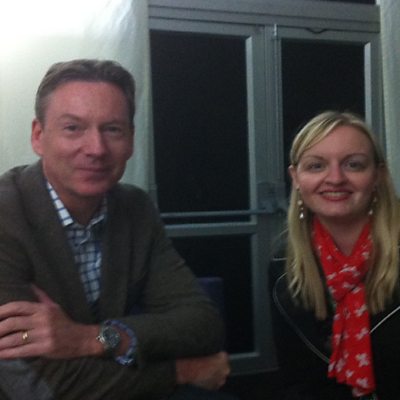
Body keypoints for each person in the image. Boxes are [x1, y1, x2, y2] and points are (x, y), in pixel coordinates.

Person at [0, 59, 233, 400]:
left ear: (131, 140)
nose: (96, 149)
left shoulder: (135, 208)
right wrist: (185, 371)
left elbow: (203, 325)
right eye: (73, 128)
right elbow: (37, 388)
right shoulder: (5, 215)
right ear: (38, 136)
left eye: (112, 129)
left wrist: (92, 339)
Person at [269, 111, 400, 400]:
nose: (336, 178)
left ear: (377, 176)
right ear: (296, 178)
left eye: (354, 164)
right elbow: (297, 382)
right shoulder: (283, 267)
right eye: (316, 166)